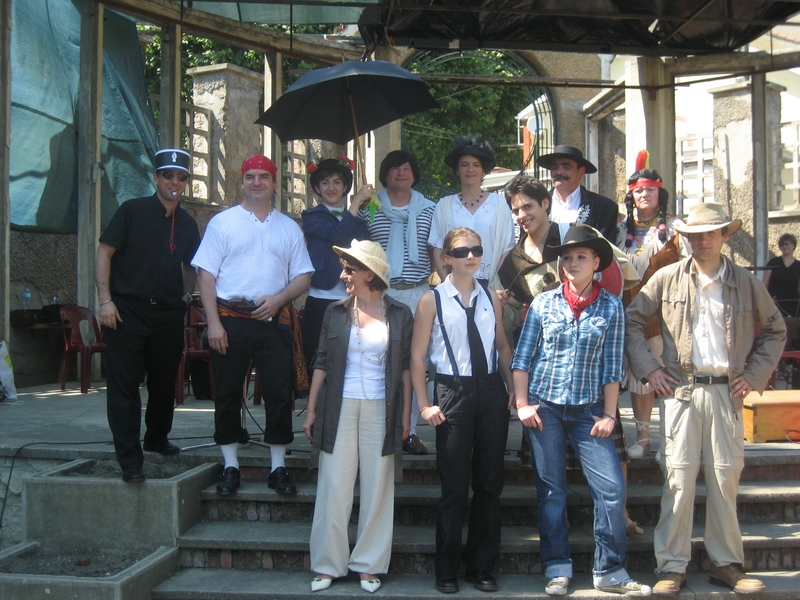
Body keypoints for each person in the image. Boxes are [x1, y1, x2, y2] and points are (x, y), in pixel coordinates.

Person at [626, 202, 785, 596]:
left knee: (725, 480)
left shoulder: (745, 281)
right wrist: (651, 369)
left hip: (726, 392)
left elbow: (775, 330)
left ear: (725, 236)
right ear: (686, 238)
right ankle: (671, 566)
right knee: (678, 481)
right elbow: (631, 321)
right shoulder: (666, 278)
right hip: (680, 391)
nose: (702, 241)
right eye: (695, 235)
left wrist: (754, 375)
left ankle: (726, 564)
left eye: (711, 233)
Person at [511, 224, 651, 597]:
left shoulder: (611, 306)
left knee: (611, 488)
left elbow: (612, 366)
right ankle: (557, 567)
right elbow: (522, 358)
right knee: (551, 490)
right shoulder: (543, 303)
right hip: (545, 407)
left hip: (589, 410)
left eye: (581, 257)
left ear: (596, 263)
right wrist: (522, 404)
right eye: (567, 257)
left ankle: (610, 570)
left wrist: (609, 415)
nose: (573, 263)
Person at [192, 154, 314, 497]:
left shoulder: (288, 227)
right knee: (227, 392)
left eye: (263, 176)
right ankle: (230, 465)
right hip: (229, 321)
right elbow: (205, 275)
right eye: (250, 176)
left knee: (278, 393)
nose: (256, 182)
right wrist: (213, 324)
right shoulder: (223, 223)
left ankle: (278, 467)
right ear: (242, 181)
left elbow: (303, 276)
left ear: (274, 183)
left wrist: (278, 299)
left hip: (274, 321)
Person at [303, 239, 413, 594]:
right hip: (339, 404)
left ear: (370, 274)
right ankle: (328, 564)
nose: (343, 275)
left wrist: (407, 415)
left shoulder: (400, 313)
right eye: (344, 268)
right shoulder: (335, 312)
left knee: (378, 486)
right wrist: (311, 410)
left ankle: (369, 564)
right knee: (333, 484)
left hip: (383, 406)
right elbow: (321, 362)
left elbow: (406, 369)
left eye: (349, 269)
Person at [411, 227, 514, 594]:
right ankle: (446, 569)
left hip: (490, 390)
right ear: (447, 258)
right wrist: (424, 405)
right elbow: (417, 357)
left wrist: (514, 389)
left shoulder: (491, 296)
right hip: (452, 391)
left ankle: (481, 566)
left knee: (489, 482)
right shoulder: (432, 300)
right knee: (454, 485)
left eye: (476, 249)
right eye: (461, 251)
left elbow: (502, 346)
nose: (470, 256)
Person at [95, 148, 200, 483]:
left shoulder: (188, 224)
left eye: (180, 177)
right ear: (156, 178)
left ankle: (157, 437)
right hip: (127, 311)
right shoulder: (132, 211)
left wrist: (186, 294)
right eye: (167, 175)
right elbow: (104, 252)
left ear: (186, 182)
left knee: (164, 381)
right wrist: (105, 301)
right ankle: (129, 458)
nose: (174, 182)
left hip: (168, 313)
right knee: (124, 384)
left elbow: (192, 266)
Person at [360, 150, 436, 455]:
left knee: (416, 362)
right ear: (385, 174)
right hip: (382, 294)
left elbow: (435, 251)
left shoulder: (430, 209)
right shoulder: (371, 207)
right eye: (395, 168)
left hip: (419, 293)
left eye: (406, 168)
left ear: (414, 174)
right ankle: (379, 428)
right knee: (379, 359)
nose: (401, 173)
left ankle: (410, 432)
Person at [618, 161, 688, 460]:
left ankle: (672, 438)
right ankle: (644, 437)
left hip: (667, 311)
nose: (644, 195)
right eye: (638, 190)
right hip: (631, 310)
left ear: (660, 193)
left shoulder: (676, 228)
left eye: (650, 189)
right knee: (640, 374)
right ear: (631, 195)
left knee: (669, 373)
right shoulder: (620, 229)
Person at [301, 156, 371, 369]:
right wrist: (356, 203)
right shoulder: (312, 216)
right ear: (317, 188)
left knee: (349, 359)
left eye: (337, 182)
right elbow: (337, 236)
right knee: (316, 357)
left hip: (352, 297)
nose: (331, 188)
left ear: (345, 186)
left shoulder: (359, 220)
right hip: (320, 296)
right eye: (325, 182)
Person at [429, 136, 515, 287]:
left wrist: (493, 287)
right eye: (464, 165)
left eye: (476, 165)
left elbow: (507, 248)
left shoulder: (500, 204)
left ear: (483, 170)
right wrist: (449, 286)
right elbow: (437, 250)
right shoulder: (444, 205)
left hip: (490, 285)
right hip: (454, 285)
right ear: (457, 169)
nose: (470, 170)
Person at [535, 145, 619, 243]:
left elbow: (605, 248)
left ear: (581, 171)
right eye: (554, 167)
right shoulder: (537, 204)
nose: (559, 172)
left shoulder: (604, 208)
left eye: (566, 167)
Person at [763, 233, 800, 318]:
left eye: (787, 243)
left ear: (793, 245)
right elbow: (764, 284)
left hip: (794, 305)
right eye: (782, 244)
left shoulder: (798, 265)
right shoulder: (773, 262)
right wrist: (766, 301)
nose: (785, 246)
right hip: (774, 303)